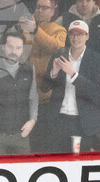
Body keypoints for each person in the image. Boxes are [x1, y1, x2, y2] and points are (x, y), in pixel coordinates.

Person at [43, 20, 100, 152]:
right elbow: (44, 88)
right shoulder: (59, 55)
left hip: (83, 123)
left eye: (80, 34)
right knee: (57, 160)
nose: (75, 38)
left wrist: (73, 74)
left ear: (87, 36)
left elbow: (98, 93)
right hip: (59, 121)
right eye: (72, 34)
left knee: (80, 164)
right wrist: (53, 72)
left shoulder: (97, 60)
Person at [0, 31, 39, 156]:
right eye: (10, 47)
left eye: (18, 48)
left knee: (23, 172)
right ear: (3, 47)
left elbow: (33, 97)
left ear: (23, 50)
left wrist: (33, 120)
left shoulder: (29, 69)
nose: (14, 51)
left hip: (21, 135)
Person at [20, 0, 67, 153]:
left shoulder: (59, 30)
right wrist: (18, 28)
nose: (40, 11)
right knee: (26, 142)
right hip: (25, 95)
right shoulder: (26, 27)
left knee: (45, 143)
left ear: (53, 11)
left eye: (45, 8)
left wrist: (35, 30)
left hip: (47, 97)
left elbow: (56, 47)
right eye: (38, 7)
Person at [58, 0, 100, 67]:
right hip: (68, 69)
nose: (84, 4)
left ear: (94, 2)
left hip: (97, 70)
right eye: (80, 1)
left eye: (88, 1)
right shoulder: (63, 20)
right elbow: (55, 48)